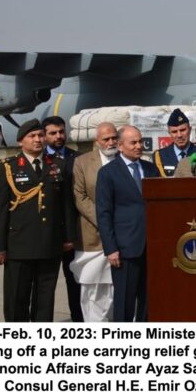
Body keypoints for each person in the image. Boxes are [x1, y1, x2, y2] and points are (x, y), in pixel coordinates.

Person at [0, 119, 75, 322]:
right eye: (32, 136)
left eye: (40, 135)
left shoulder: (57, 165)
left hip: (50, 243)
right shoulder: (8, 167)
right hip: (20, 245)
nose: (38, 139)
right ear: (21, 141)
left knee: (45, 300)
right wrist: (0, 247)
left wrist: (68, 237)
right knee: (17, 298)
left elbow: (66, 205)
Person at [96, 125, 157, 322]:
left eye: (140, 141)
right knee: (124, 301)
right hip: (125, 248)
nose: (139, 146)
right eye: (133, 143)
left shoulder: (151, 168)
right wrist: (111, 248)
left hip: (151, 246)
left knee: (149, 300)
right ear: (120, 146)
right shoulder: (108, 173)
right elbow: (104, 213)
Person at [70, 122, 119, 321]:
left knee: (116, 291)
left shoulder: (126, 159)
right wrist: (105, 222)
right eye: (106, 139)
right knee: (93, 292)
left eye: (114, 138)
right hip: (92, 237)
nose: (111, 142)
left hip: (121, 236)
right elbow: (79, 196)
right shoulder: (82, 162)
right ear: (97, 141)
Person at [42, 115, 83, 322]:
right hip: (47, 232)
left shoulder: (78, 158)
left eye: (61, 132)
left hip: (74, 231)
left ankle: (79, 322)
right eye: (53, 133)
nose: (58, 136)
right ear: (44, 136)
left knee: (75, 282)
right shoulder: (39, 160)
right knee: (45, 285)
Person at [153, 108, 196, 177]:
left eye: (182, 130)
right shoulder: (160, 156)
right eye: (174, 132)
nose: (179, 135)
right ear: (169, 133)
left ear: (190, 130)